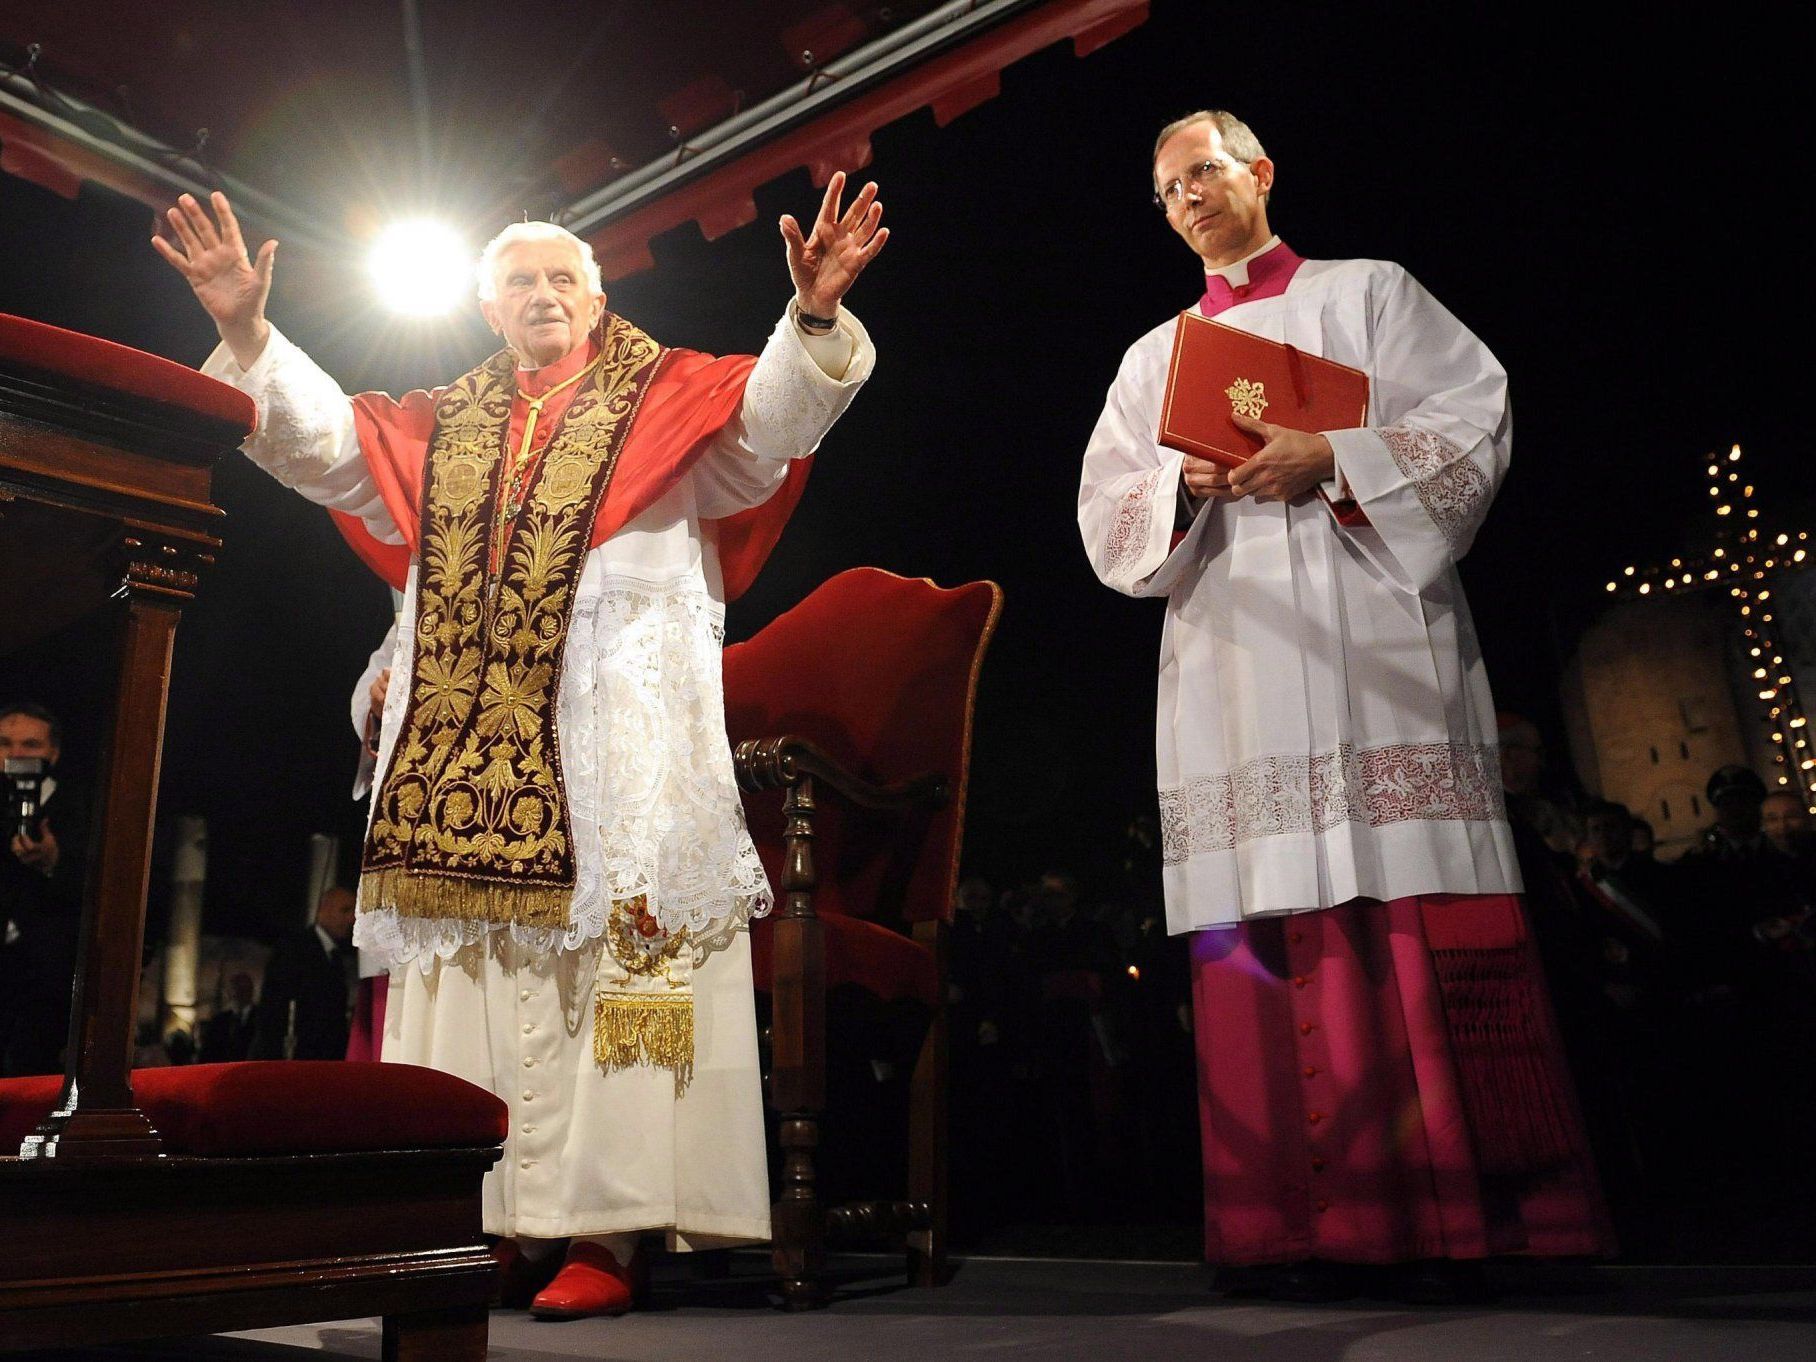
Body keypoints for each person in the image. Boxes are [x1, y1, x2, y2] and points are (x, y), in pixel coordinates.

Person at [154, 177, 884, 1318]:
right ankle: (484, 1219)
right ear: (488, 310)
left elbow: (773, 431)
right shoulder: (438, 425)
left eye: (560, 279)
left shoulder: (672, 398)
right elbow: (328, 448)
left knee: (625, 961)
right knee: (476, 972)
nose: (540, 295)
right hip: (473, 755)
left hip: (624, 737)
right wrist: (245, 331)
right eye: (516, 283)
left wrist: (815, 321)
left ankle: (609, 1228)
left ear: (595, 302)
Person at [1078, 109, 1610, 1297]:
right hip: (1234, 652)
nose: (1187, 200)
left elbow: (1476, 416)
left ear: (1259, 172)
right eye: (1166, 190)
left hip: (1376, 647)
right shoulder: (1150, 357)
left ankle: (1471, 1223)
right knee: (1259, 918)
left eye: (1203, 173)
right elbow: (1107, 516)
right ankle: (1291, 1227)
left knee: (1412, 908)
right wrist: (1182, 473)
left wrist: (1335, 458)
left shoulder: (1371, 293)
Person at [0, 702, 86, 1077]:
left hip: (47, 977)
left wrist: (52, 865)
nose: (16, 754)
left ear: (53, 752)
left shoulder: (85, 806)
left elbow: (104, 887)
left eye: (30, 745)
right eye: (5, 743)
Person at [251, 886, 359, 1061]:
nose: (352, 919)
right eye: (345, 910)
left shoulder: (335, 957)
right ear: (323, 910)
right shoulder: (294, 949)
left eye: (354, 912)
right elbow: (275, 1008)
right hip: (295, 1057)